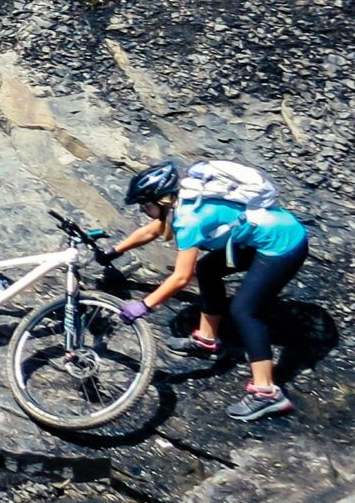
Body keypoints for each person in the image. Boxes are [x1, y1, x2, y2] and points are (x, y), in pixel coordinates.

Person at [101, 160, 309, 422]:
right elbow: (155, 229)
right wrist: (116, 250)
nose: (144, 210)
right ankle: (207, 341)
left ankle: (267, 393)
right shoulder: (185, 199)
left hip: (283, 245)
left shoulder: (190, 219)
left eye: (145, 205)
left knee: (245, 311)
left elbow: (180, 278)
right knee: (209, 270)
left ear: (161, 200)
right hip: (260, 236)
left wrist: (144, 305)